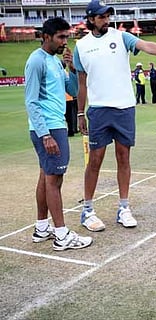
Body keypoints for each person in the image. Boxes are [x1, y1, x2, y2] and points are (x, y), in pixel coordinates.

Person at [74, 0, 156, 232]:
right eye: (101, 17)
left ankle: (124, 207)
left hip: (125, 109)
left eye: (108, 16)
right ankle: (87, 210)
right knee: (95, 160)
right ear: (90, 19)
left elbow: (147, 46)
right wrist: (80, 112)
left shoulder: (121, 37)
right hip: (98, 110)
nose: (106, 20)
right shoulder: (81, 46)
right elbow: (81, 83)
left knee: (123, 158)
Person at [25, 17, 92, 251]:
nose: (65, 41)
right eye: (61, 37)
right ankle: (62, 235)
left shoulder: (55, 62)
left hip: (56, 125)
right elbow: (31, 101)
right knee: (55, 180)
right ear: (46, 37)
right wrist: (45, 135)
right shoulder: (36, 61)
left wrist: (72, 69)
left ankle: (42, 228)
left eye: (67, 36)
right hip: (49, 128)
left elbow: (72, 90)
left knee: (46, 176)